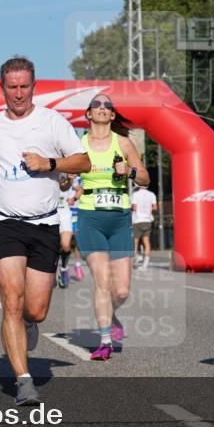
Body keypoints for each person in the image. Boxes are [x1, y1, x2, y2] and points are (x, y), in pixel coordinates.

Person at [0, 56, 90, 405]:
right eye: (12, 87)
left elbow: (83, 161)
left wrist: (49, 163)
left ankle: (29, 324)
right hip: (4, 222)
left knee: (36, 310)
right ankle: (23, 380)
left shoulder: (52, 122)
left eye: (24, 86)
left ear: (34, 87)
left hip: (45, 223)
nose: (18, 93)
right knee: (11, 301)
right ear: (2, 88)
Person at [76, 94, 149, 361]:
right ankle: (105, 340)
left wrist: (129, 171)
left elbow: (145, 178)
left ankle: (111, 314)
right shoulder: (78, 145)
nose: (102, 108)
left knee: (122, 291)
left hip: (119, 219)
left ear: (113, 115)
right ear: (88, 113)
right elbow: (64, 177)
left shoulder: (124, 143)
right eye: (97, 105)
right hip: (91, 217)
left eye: (107, 105)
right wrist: (64, 180)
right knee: (103, 281)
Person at [56, 174, 78, 288]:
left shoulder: (69, 178)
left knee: (65, 245)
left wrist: (74, 198)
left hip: (65, 216)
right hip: (51, 216)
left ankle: (64, 269)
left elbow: (80, 189)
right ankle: (52, 271)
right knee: (52, 248)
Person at [131, 182, 158, 270]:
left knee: (135, 241)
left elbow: (134, 208)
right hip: (148, 220)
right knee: (146, 241)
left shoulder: (135, 194)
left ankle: (136, 257)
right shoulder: (152, 194)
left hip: (137, 220)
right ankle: (145, 264)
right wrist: (148, 209)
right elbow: (155, 207)